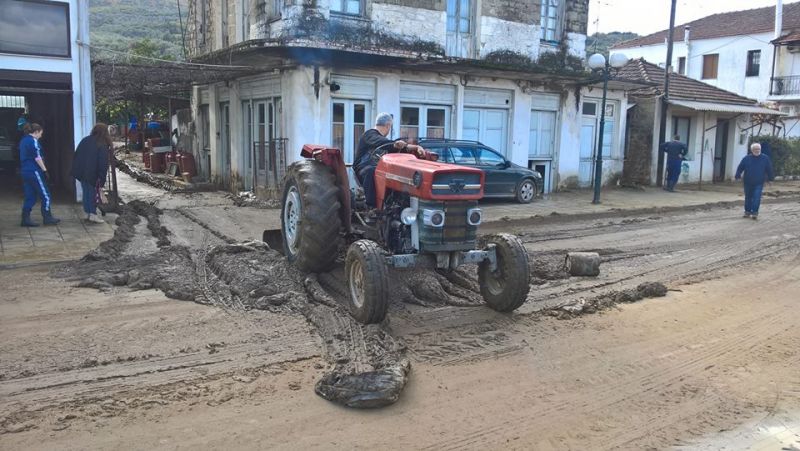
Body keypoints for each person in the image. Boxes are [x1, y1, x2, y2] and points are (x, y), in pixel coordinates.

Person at [353, 112, 426, 207]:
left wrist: (416, 147)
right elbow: (382, 142)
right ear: (388, 126)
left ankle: (395, 203)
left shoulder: (384, 141)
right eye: (390, 127)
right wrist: (394, 144)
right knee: (371, 171)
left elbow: (398, 147)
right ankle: (371, 206)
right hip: (363, 169)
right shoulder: (370, 134)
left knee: (392, 173)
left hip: (377, 168)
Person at [19, 123, 60, 227]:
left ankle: (25, 218)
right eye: (40, 133)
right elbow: (38, 158)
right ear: (36, 132)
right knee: (46, 195)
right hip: (34, 171)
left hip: (25, 170)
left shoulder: (23, 140)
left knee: (30, 195)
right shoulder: (33, 141)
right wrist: (45, 170)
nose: (41, 136)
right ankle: (47, 217)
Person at [72, 124, 111, 224]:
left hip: (82, 172)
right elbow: (103, 163)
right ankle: (93, 214)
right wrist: (101, 180)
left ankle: (89, 213)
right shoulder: (102, 143)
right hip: (92, 173)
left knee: (86, 192)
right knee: (93, 194)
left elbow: (77, 155)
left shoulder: (85, 140)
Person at [735, 142, 774, 220]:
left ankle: (755, 212)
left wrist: (771, 179)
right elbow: (740, 168)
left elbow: (769, 169)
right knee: (748, 197)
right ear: (752, 150)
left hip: (759, 182)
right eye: (755, 149)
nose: (757, 150)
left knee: (757, 197)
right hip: (747, 181)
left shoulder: (765, 158)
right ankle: (747, 212)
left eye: (758, 149)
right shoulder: (746, 158)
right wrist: (737, 176)